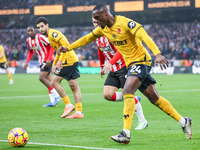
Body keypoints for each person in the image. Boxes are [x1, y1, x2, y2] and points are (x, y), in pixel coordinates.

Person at [57, 4, 192, 144]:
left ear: (105, 15)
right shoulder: (103, 29)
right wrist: (67, 48)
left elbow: (144, 36)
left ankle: (125, 133)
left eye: (97, 18)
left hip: (141, 61)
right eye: (94, 19)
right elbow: (86, 39)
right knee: (154, 98)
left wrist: (157, 54)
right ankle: (184, 122)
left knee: (127, 91)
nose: (96, 22)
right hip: (131, 65)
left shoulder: (125, 23)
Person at [92, 18, 148, 130]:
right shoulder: (96, 36)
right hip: (113, 69)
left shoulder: (111, 34)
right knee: (107, 95)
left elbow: (120, 51)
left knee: (126, 94)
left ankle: (142, 120)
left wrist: (110, 62)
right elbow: (100, 50)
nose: (96, 24)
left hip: (123, 66)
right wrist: (102, 65)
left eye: (98, 21)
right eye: (94, 22)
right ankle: (133, 98)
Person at [35, 17, 84, 119]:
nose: (40, 29)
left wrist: (60, 60)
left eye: (42, 26)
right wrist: (54, 63)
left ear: (47, 25)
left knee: (54, 82)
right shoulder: (49, 36)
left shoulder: (53, 34)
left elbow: (65, 45)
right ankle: (79, 112)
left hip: (67, 61)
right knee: (74, 86)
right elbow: (59, 49)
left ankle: (68, 105)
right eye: (38, 28)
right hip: (72, 59)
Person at [24, 26, 60, 107]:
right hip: (41, 61)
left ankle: (57, 95)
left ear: (34, 31)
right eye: (28, 31)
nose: (30, 32)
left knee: (41, 78)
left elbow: (51, 46)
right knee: (48, 81)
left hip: (47, 60)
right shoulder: (28, 40)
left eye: (31, 30)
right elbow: (30, 51)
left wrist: (50, 58)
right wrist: (26, 62)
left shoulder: (40, 37)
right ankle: (53, 101)